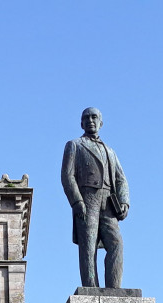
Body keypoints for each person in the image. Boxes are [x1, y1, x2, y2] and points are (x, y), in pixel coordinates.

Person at [61, 107, 130, 289]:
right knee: (88, 247)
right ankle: (91, 288)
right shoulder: (74, 145)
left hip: (108, 201)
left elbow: (120, 178)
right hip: (87, 198)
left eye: (94, 117)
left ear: (101, 122)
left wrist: (124, 202)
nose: (90, 120)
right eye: (86, 118)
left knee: (116, 243)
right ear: (81, 123)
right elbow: (67, 176)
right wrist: (77, 201)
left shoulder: (110, 151)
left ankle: (114, 288)